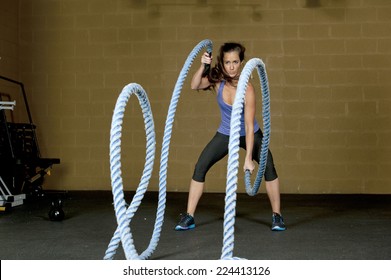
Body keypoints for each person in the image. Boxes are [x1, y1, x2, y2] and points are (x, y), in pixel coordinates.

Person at [174, 42, 286, 231]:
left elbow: (249, 126)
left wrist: (248, 158)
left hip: (248, 133)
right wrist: (203, 65)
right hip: (226, 133)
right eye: (227, 62)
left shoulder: (247, 88)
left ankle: (277, 216)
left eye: (235, 62)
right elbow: (194, 85)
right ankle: (189, 216)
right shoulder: (217, 80)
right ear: (223, 63)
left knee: (269, 167)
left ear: (241, 62)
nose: (231, 67)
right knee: (200, 166)